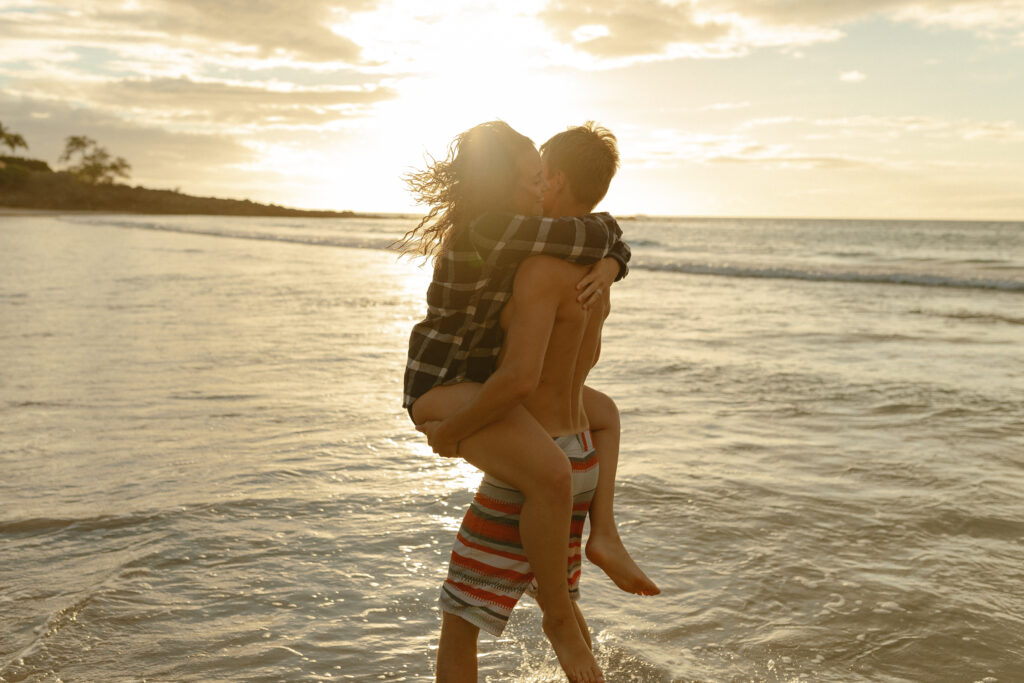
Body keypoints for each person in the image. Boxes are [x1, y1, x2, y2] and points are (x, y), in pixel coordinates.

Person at [399, 121, 627, 682]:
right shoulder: (493, 230)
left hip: (490, 400)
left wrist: (612, 260)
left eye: (544, 178)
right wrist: (611, 260)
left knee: (466, 616)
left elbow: (600, 236)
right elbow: (596, 234)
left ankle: (568, 607)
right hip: (443, 385)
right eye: (530, 179)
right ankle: (569, 608)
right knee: (554, 495)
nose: (539, 187)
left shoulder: (530, 248)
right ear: (503, 185)